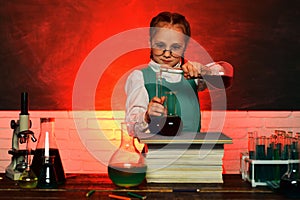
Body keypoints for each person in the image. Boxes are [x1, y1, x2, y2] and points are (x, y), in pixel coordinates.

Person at [125, 11, 219, 134]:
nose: (167, 54)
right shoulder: (139, 77)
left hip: (193, 151)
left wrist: (205, 70)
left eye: (175, 47)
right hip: (158, 152)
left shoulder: (192, 75)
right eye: (160, 45)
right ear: (150, 42)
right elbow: (131, 128)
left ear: (185, 46)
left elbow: (222, 76)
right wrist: (147, 116)